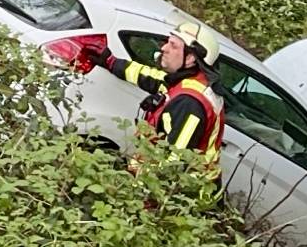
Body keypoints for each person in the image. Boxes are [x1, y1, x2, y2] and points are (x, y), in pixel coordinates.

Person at [84, 22, 226, 166]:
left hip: (181, 187)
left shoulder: (190, 104)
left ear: (190, 58)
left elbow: (173, 164)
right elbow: (151, 77)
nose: (164, 48)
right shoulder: (187, 80)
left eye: (173, 45)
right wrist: (110, 61)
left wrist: (136, 186)